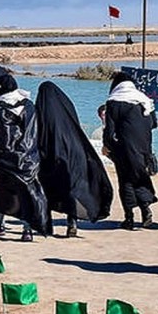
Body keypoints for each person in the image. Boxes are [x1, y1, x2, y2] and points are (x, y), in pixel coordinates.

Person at [36, 81, 114, 237]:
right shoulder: (66, 107)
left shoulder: (41, 109)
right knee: (70, 189)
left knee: (47, 190)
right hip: (71, 155)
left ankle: (47, 224)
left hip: (47, 156)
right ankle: (72, 222)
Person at [0, 74, 49, 241]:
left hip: (1, 157)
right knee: (26, 193)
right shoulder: (26, 105)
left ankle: (0, 224)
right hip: (24, 157)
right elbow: (31, 132)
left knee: (1, 191)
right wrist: (28, 155)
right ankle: (27, 230)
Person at [103, 72, 158, 229]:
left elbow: (110, 129)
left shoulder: (114, 101)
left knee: (126, 179)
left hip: (123, 148)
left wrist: (107, 145)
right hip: (144, 147)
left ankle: (129, 218)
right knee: (140, 175)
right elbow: (153, 123)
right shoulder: (144, 100)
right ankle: (145, 209)